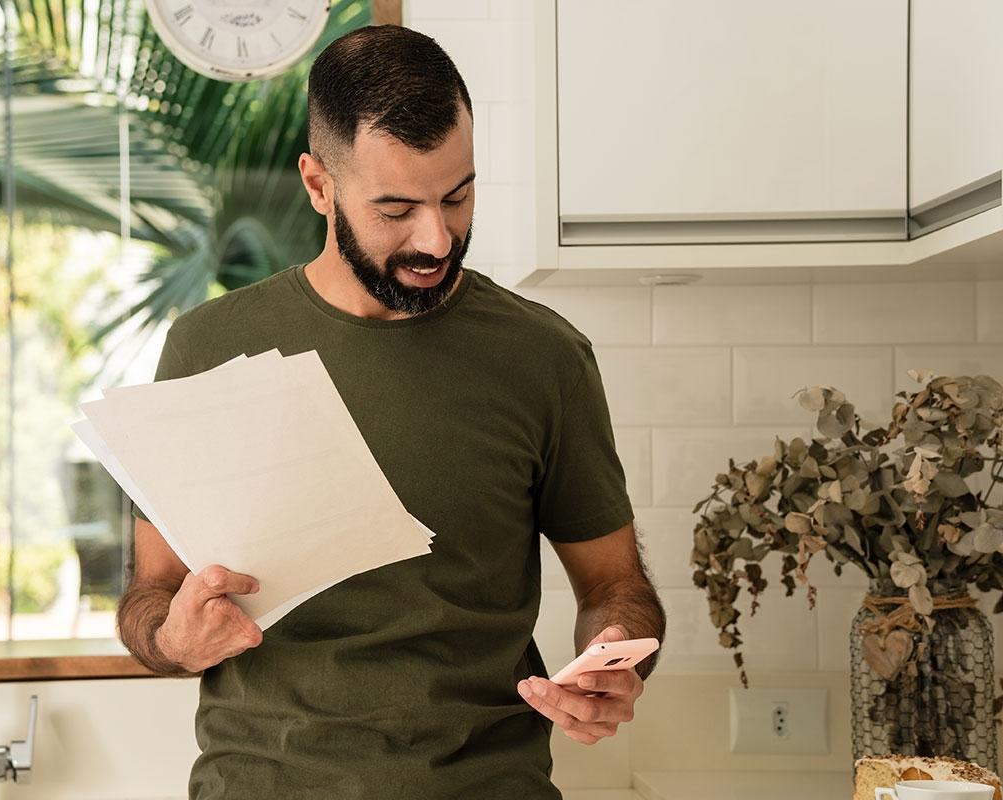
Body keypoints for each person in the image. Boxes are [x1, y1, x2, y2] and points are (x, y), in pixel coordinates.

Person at [116, 23, 665, 800]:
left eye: (458, 195)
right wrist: (173, 637)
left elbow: (615, 584)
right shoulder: (209, 348)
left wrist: (615, 660)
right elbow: (150, 594)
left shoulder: (544, 357)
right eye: (397, 208)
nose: (436, 238)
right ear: (318, 186)